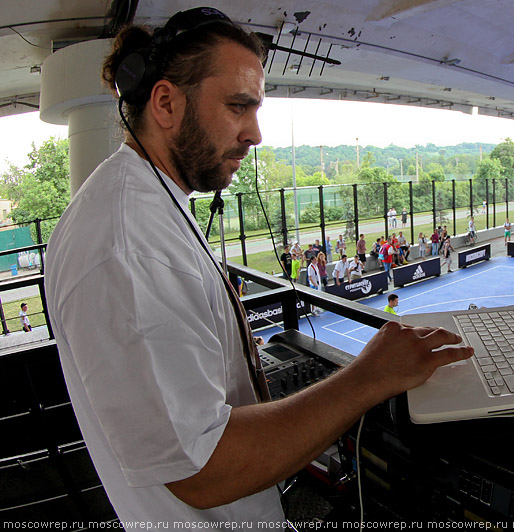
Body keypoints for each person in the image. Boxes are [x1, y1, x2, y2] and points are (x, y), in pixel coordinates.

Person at [43, 10, 475, 525]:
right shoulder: (127, 241)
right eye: (237, 107)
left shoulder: (146, 207)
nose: (255, 133)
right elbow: (205, 470)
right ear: (165, 103)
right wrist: (369, 377)